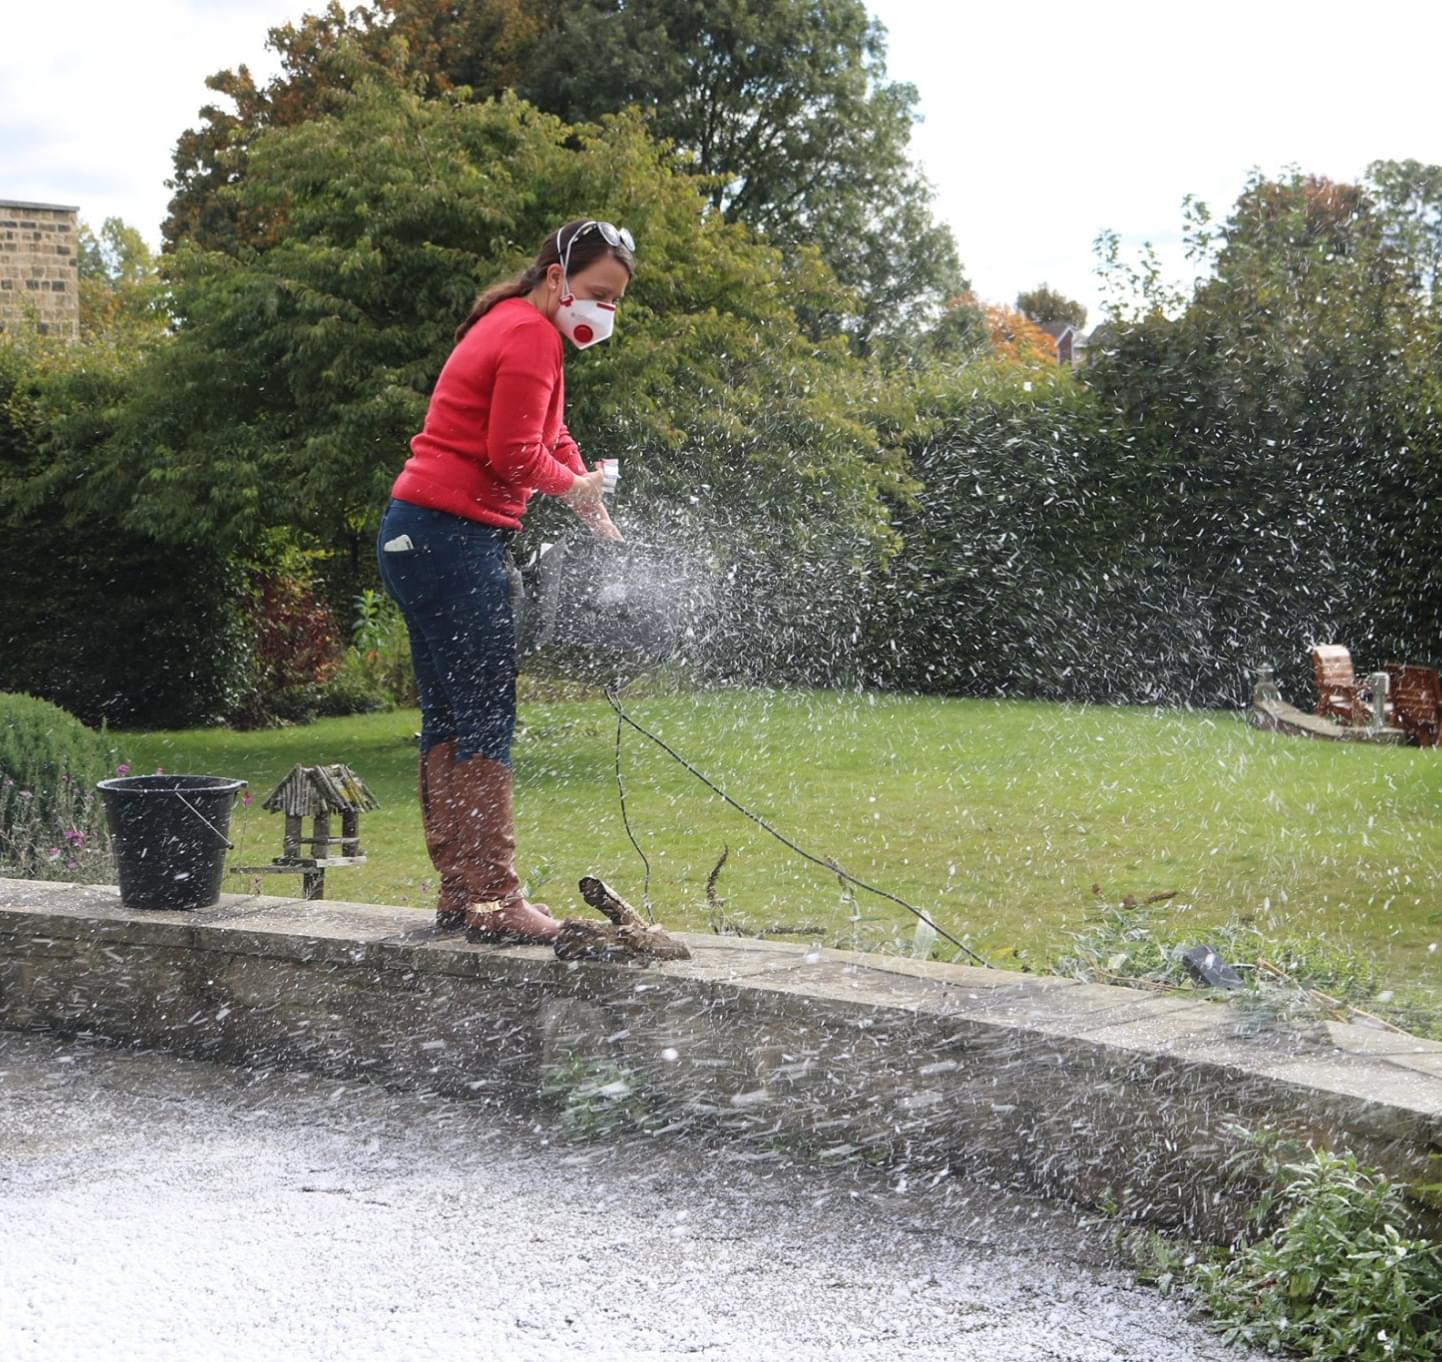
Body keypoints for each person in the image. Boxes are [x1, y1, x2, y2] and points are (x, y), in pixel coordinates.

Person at [377, 219, 635, 943]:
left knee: (450, 717)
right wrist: (572, 487)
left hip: (414, 536)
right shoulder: (527, 334)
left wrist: (595, 511)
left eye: (614, 302)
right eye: (596, 294)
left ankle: (461, 893)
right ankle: (495, 899)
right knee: (487, 714)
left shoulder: (511, 323)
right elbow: (517, 454)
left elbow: (550, 438)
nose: (603, 313)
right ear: (556, 276)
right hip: (451, 540)